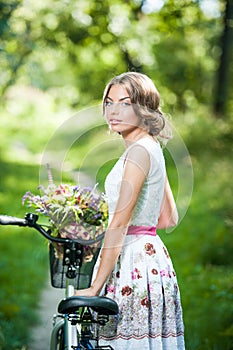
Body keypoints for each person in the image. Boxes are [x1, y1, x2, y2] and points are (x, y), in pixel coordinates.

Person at [74, 72, 185, 349]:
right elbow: (168, 217)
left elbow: (120, 224)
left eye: (125, 103)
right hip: (153, 262)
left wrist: (94, 287)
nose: (114, 111)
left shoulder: (138, 152)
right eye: (109, 102)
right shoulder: (151, 147)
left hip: (134, 261)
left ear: (144, 108)